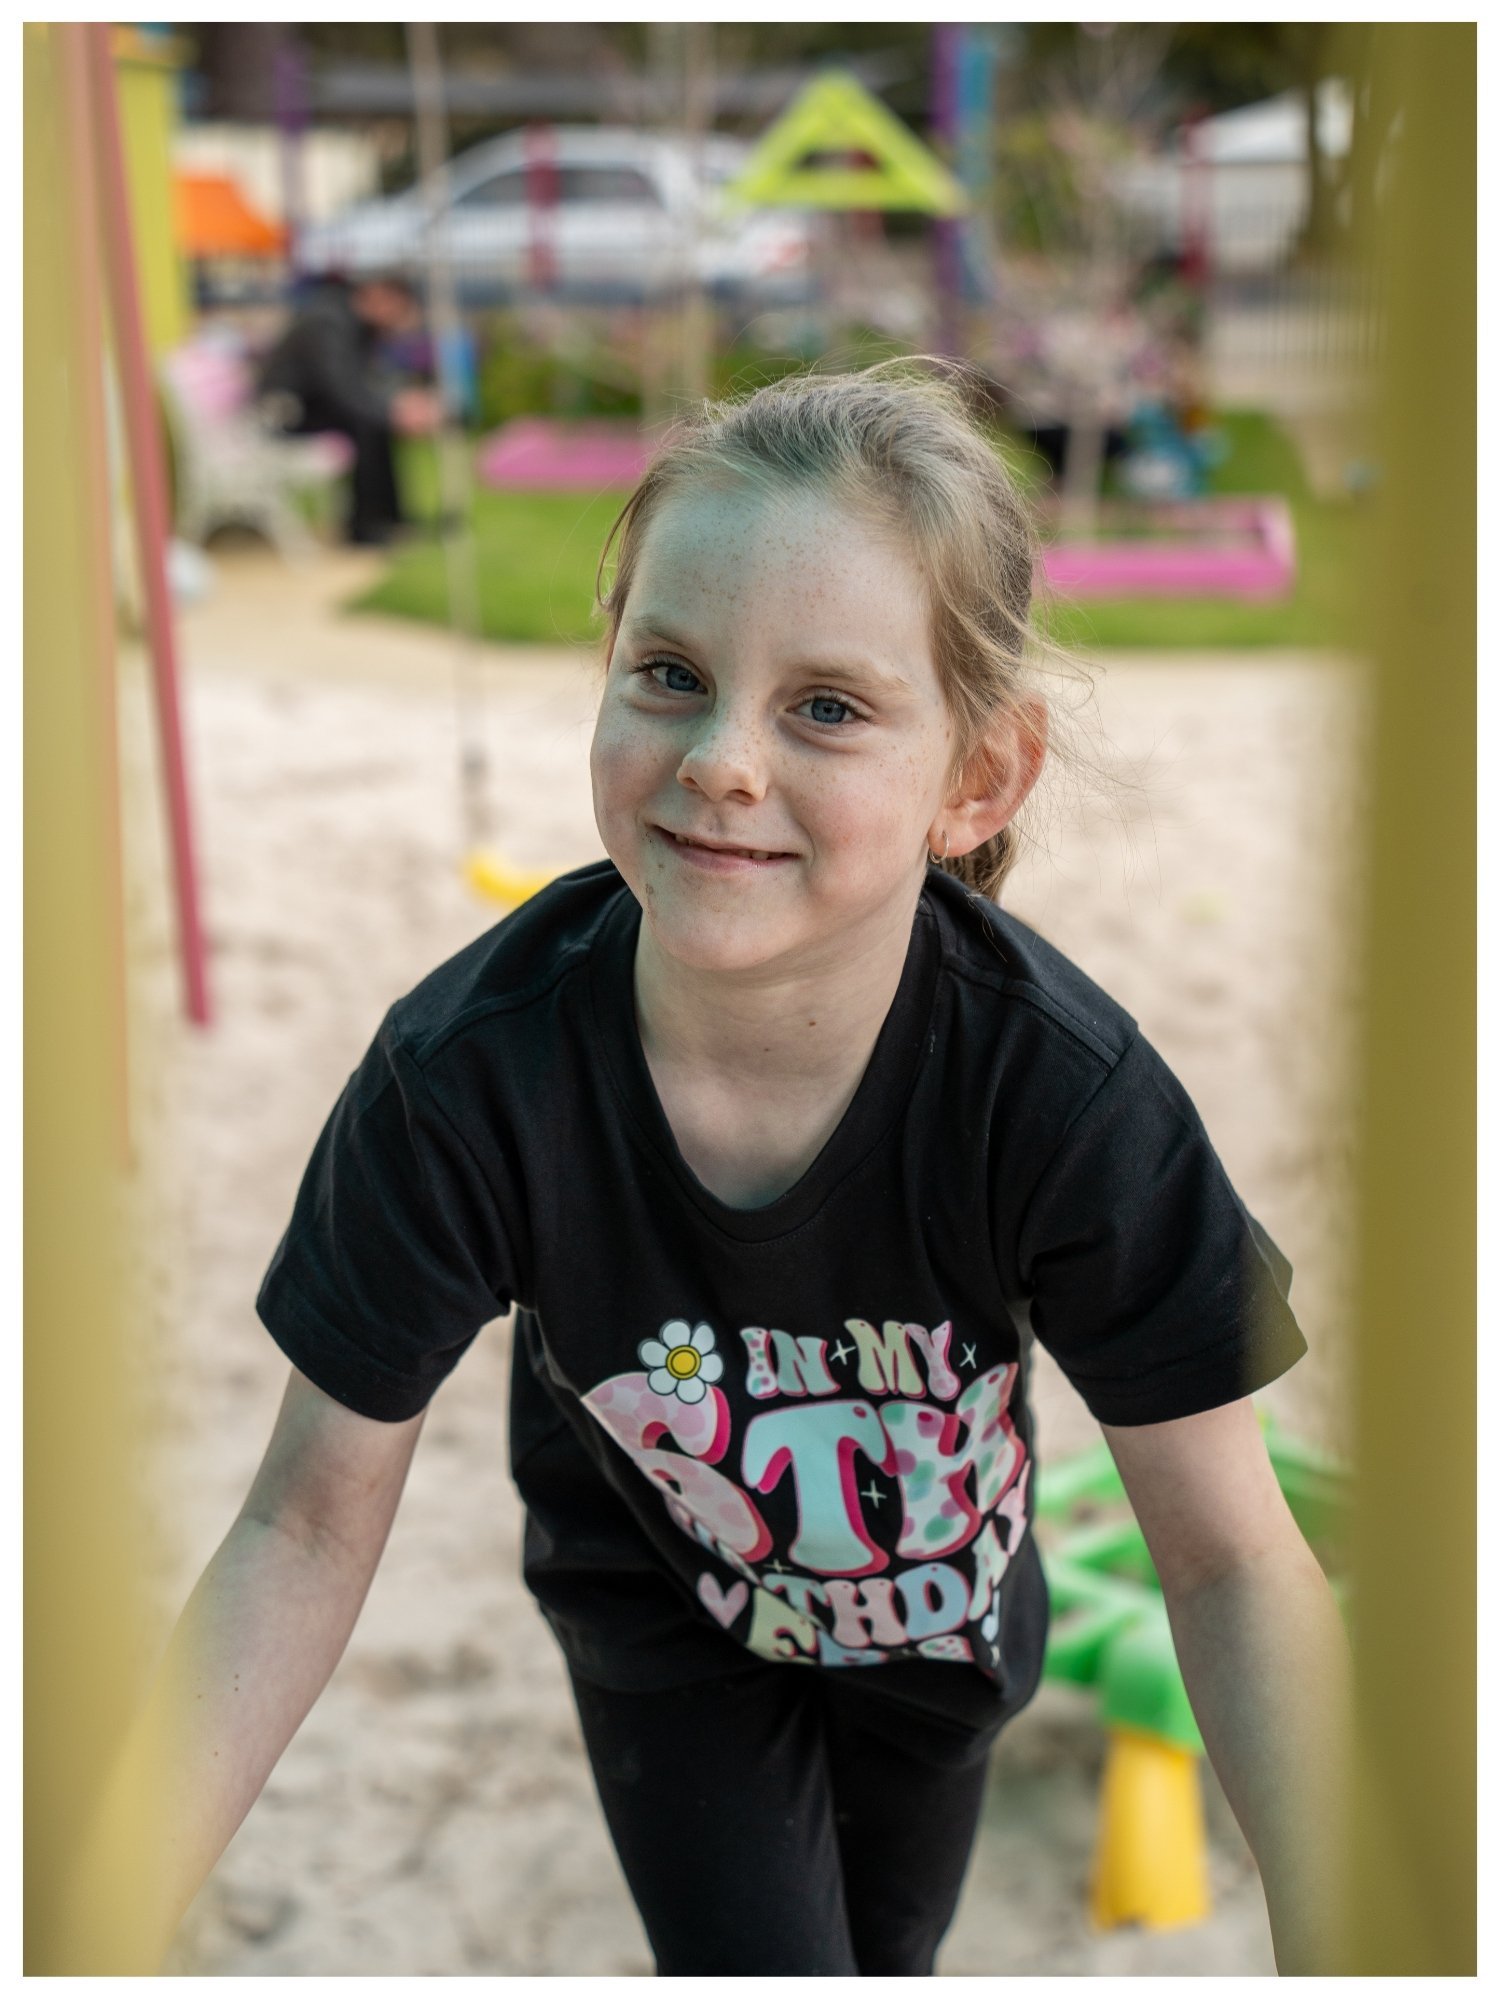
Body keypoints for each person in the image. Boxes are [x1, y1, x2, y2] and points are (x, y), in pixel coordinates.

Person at [65, 362, 1352, 1976]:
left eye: (826, 706)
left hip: (946, 1621)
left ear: (980, 778)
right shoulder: (469, 1075)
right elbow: (305, 1530)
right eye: (670, 673)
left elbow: (1233, 1559)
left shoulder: (1063, 1098)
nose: (725, 759)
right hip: (664, 1618)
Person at [254, 270, 443, 546]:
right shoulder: (327, 323)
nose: (395, 321)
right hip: (283, 414)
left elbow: (365, 382)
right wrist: (393, 412)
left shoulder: (352, 323)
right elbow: (340, 388)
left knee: (375, 420)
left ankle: (392, 518)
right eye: (397, 310)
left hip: (315, 407)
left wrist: (398, 404)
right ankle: (364, 527)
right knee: (365, 422)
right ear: (381, 297)